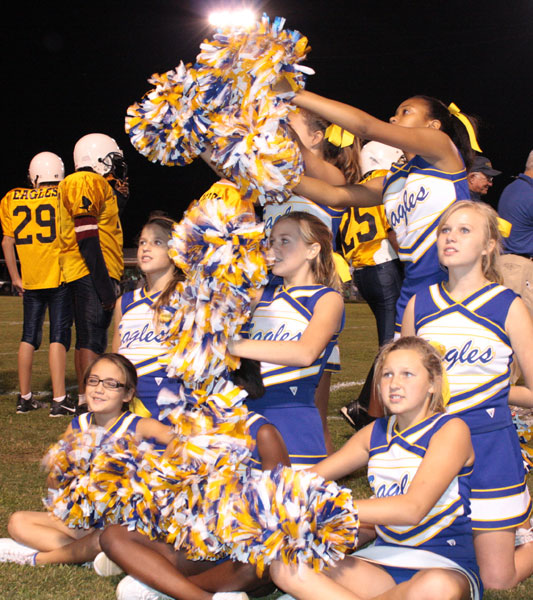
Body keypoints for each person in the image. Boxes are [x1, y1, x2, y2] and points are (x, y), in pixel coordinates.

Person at [270, 336, 482, 600]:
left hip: (441, 564)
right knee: (285, 564)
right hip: (381, 563)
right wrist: (260, 496)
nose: (394, 383)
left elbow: (412, 509)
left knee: (436, 587)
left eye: (407, 374)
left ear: (432, 383)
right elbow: (307, 479)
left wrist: (325, 506)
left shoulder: (451, 430)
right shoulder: (375, 433)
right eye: (387, 374)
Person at [402, 200, 533, 589]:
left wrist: (498, 394)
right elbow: (403, 383)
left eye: (464, 230)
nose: (450, 238)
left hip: (490, 448)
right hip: (427, 448)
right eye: (445, 230)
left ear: (489, 245)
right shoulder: (419, 304)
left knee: (497, 579)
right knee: (430, 565)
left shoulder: (507, 306)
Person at [283, 90, 475, 334]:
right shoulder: (392, 179)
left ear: (433, 125)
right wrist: (274, 171)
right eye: (395, 113)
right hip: (413, 292)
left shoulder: (442, 149)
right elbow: (335, 195)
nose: (394, 118)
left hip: (454, 285)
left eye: (405, 112)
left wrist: (293, 92)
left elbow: (365, 127)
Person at [0, 353, 174, 568]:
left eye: (111, 384)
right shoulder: (78, 425)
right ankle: (94, 556)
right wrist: (61, 474)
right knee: (18, 522)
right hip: (89, 523)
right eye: (93, 381)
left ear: (128, 394)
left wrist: (156, 476)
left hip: (124, 527)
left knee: (105, 538)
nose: (99, 389)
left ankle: (39, 559)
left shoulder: (138, 425)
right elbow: (54, 484)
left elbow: (182, 442)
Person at [263, 108, 360, 454]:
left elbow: (306, 166)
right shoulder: (273, 181)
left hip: (310, 303)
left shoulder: (329, 179)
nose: (276, 128)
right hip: (269, 302)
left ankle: (323, 480)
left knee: (311, 415)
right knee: (265, 406)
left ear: (316, 137)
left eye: (287, 124)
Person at [228, 211, 345, 469]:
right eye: (271, 242)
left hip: (295, 424)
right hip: (246, 420)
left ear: (312, 250)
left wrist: (233, 346)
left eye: (285, 241)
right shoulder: (259, 295)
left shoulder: (327, 299)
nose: (273, 249)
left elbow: (305, 353)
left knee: (292, 495)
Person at [57, 133, 126, 414]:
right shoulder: (85, 180)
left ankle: (86, 400)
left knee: (88, 335)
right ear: (98, 158)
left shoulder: (90, 183)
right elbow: (86, 234)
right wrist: (104, 285)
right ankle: (90, 404)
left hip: (87, 268)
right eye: (112, 161)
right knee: (92, 337)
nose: (116, 167)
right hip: (90, 268)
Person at [0, 152, 73, 415]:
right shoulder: (64, 195)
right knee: (58, 336)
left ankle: (25, 398)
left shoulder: (12, 198)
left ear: (34, 176)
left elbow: (7, 242)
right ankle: (59, 400)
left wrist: (15, 277)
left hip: (30, 279)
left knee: (28, 336)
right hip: (59, 276)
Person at [339, 141, 404, 430]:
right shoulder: (384, 183)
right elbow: (392, 230)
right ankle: (365, 408)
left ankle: (371, 407)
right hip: (384, 266)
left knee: (394, 341)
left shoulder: (357, 189)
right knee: (392, 343)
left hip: (363, 271)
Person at [112, 213, 183, 420]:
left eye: (157, 242)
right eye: (143, 242)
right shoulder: (124, 302)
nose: (146, 247)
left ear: (175, 251)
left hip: (172, 403)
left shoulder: (187, 297)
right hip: (130, 401)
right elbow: (116, 358)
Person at [498, 149, 533, 320]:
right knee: (524, 324)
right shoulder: (529, 194)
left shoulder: (512, 188)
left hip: (506, 265)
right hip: (520, 270)